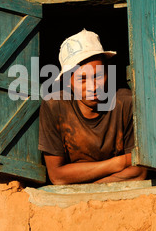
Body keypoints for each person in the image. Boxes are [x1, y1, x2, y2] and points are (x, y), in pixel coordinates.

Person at [38, 29, 147, 185]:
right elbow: (57, 176)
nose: (93, 86)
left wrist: (87, 183)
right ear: (67, 82)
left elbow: (138, 172)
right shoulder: (54, 106)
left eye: (98, 76)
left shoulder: (125, 103)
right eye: (82, 79)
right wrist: (119, 163)